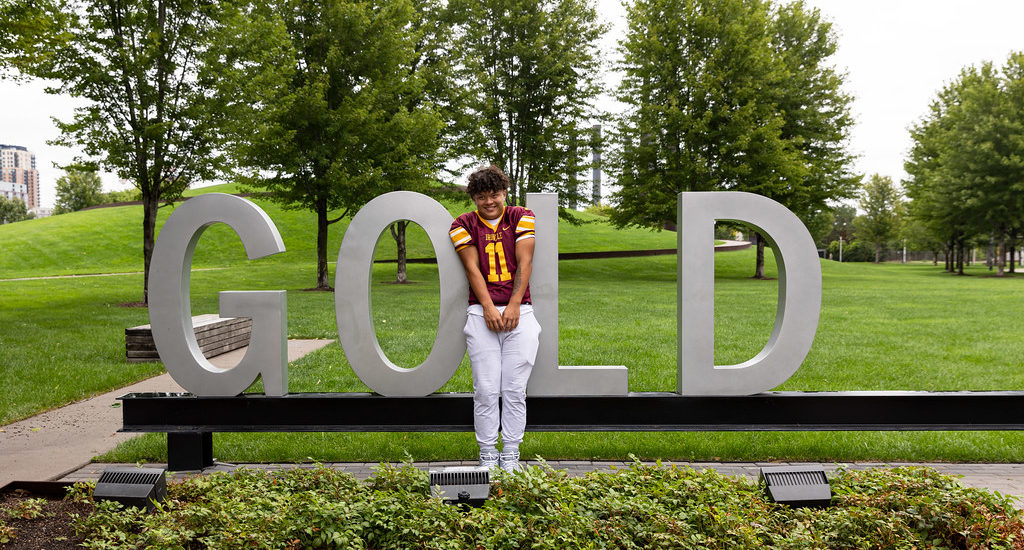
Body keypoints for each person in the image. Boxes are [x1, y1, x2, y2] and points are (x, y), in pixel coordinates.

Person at [449, 165, 541, 473]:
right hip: (481, 311)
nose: (489, 202)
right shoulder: (462, 223)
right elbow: (472, 269)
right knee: (486, 388)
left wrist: (514, 303)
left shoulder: (521, 216)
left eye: (495, 194)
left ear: (504, 193)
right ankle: (488, 452)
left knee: (514, 389)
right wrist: (489, 306)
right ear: (473, 197)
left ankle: (511, 452)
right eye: (482, 196)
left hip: (520, 310)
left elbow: (525, 260)